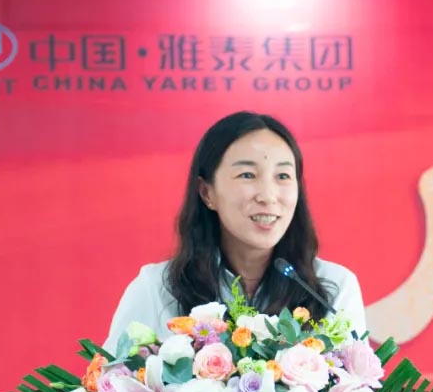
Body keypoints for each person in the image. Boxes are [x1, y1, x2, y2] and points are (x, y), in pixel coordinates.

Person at [103, 111, 365, 355]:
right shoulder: (157, 288)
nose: (268, 196)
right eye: (247, 175)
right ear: (207, 192)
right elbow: (111, 381)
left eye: (283, 176)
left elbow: (357, 386)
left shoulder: (333, 288)